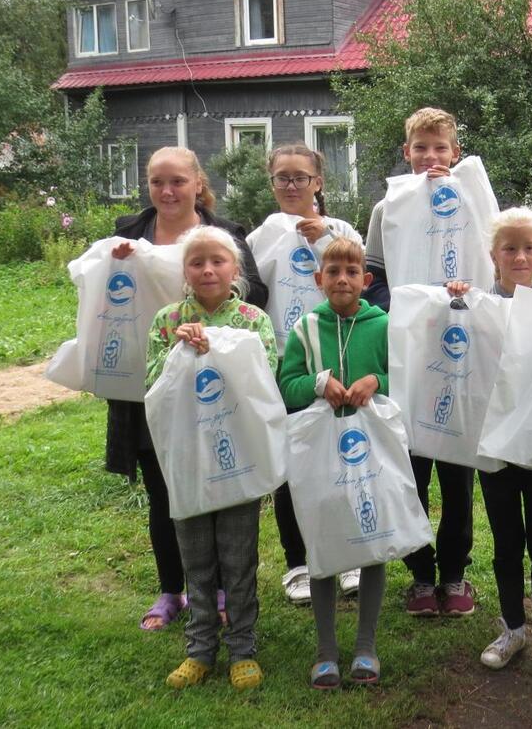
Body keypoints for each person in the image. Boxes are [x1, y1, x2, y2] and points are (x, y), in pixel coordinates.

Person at [106, 146, 267, 632]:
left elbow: (255, 293)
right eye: (157, 182)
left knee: (220, 480)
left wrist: (207, 329)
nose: (167, 191)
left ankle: (217, 587)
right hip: (153, 381)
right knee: (163, 486)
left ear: (198, 182)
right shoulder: (128, 235)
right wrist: (117, 266)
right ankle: (171, 588)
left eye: (177, 180)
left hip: (217, 386)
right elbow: (107, 301)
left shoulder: (229, 235)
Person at [145, 225, 277, 690]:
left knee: (239, 557)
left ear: (234, 267)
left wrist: (217, 347)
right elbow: (152, 387)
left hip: (236, 455)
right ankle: (200, 649)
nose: (207, 269)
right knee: (196, 557)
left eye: (217, 261)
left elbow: (267, 375)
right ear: (184, 271)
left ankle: (243, 647)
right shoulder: (166, 320)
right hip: (188, 460)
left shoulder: (251, 319)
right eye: (197, 262)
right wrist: (177, 350)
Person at [445, 207, 532, 683]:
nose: (519, 256)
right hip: (494, 448)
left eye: (529, 248)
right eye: (509, 248)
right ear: (493, 255)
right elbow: (447, 335)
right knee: (505, 545)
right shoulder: (474, 305)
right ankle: (513, 629)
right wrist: (455, 300)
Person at [363, 107, 478, 618]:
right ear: (406, 152)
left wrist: (460, 302)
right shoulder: (388, 209)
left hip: (460, 353)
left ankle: (455, 573)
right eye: (420, 148)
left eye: (440, 148)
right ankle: (420, 574)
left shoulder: (475, 202)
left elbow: (491, 269)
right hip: (408, 355)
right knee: (412, 471)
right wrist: (410, 307)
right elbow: (374, 276)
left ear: (455, 152)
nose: (430, 157)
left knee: (457, 470)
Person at [247, 143, 363, 607]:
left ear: (318, 182)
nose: (292, 186)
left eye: (301, 177)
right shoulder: (261, 237)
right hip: (286, 362)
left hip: (341, 355)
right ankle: (298, 562)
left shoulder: (342, 230)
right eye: (282, 178)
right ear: (272, 183)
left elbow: (357, 275)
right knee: (291, 463)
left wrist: (324, 238)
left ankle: (349, 554)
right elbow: (252, 293)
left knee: (346, 456)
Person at [277, 237, 390, 688]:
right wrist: (318, 384)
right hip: (321, 452)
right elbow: (286, 385)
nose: (342, 279)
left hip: (371, 452)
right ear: (318, 279)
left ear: (366, 279)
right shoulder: (305, 328)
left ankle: (366, 646)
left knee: (372, 538)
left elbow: (403, 376)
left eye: (351, 271)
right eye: (332, 271)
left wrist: (375, 380)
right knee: (321, 541)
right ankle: (326, 650)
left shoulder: (382, 325)